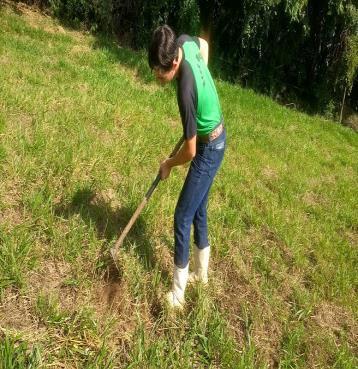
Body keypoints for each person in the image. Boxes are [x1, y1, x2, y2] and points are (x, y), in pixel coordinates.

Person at [148, 25, 226, 309]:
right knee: (198, 208)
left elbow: (191, 151)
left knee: (182, 215)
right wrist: (202, 74)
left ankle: (177, 294)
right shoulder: (182, 42)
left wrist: (169, 163)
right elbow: (203, 44)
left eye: (161, 71)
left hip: (209, 148)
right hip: (217, 137)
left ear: (175, 61)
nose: (157, 75)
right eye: (155, 68)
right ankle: (201, 275)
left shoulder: (184, 90)